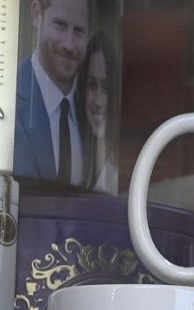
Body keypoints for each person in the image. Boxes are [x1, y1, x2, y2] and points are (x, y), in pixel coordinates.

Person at [15, 0, 94, 186]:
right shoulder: (4, 98)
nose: (69, 45)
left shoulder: (92, 112)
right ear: (37, 15)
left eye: (79, 31)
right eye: (60, 25)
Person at [81, 32, 117, 193]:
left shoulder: (123, 168)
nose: (98, 101)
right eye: (91, 85)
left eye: (106, 88)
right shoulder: (74, 161)